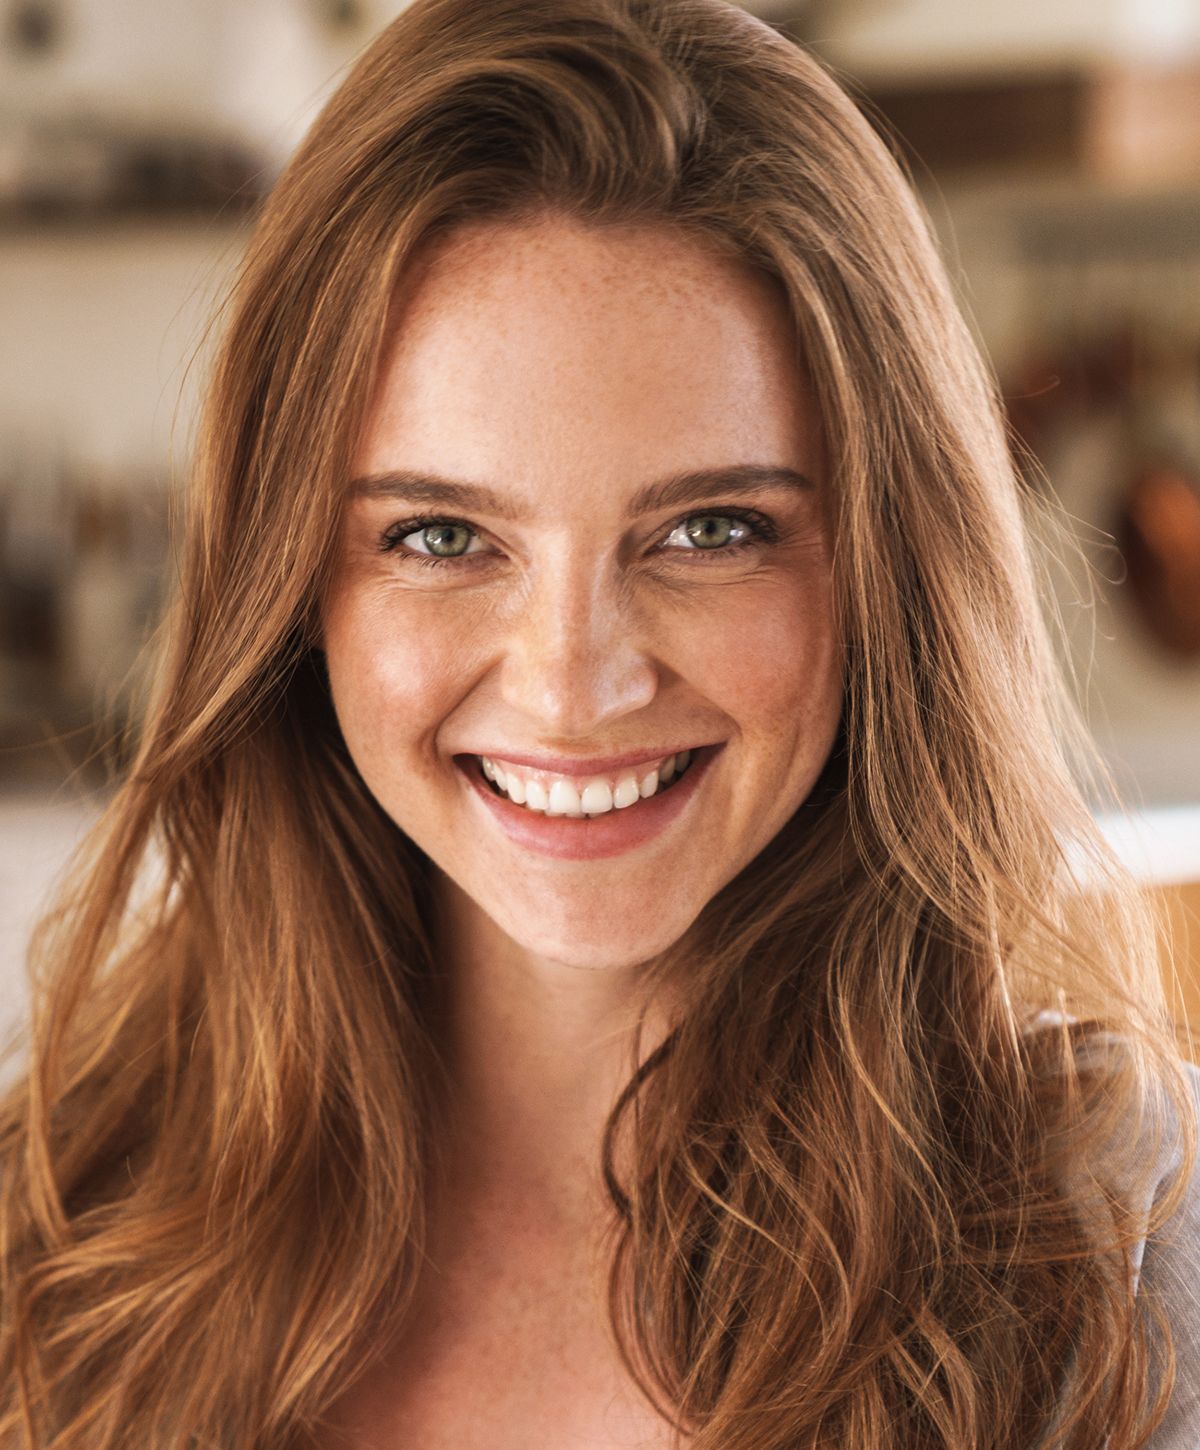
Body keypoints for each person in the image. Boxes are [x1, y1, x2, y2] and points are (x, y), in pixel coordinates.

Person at [1, 1, 1197, 1446]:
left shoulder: (1131, 1251)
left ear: (888, 564)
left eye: (710, 526)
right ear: (295, 580)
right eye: (441, 535)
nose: (571, 685)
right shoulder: (61, 1231)